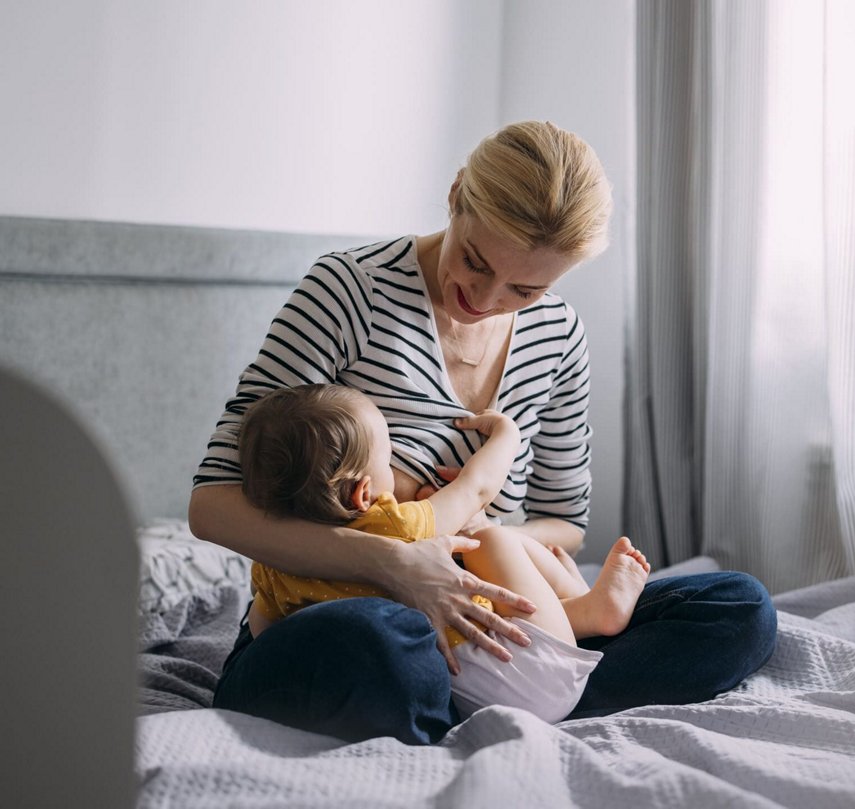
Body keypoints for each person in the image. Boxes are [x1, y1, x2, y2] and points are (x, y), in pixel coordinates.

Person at [189, 120, 777, 744]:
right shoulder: (349, 291)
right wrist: (399, 561)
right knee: (380, 641)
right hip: (349, 623)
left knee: (739, 608)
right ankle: (508, 704)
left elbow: (562, 522)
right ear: (457, 193)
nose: (485, 297)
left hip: (504, 638)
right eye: (474, 260)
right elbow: (212, 508)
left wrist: (471, 540)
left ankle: (490, 702)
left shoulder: (558, 337)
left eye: (526, 288)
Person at [236, 383, 651, 723]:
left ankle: (575, 610)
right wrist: (506, 435)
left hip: (468, 701)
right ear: (364, 491)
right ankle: (589, 606)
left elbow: (264, 635)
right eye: (389, 453)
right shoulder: (393, 524)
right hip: (528, 667)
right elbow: (476, 489)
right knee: (491, 539)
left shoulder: (273, 566)